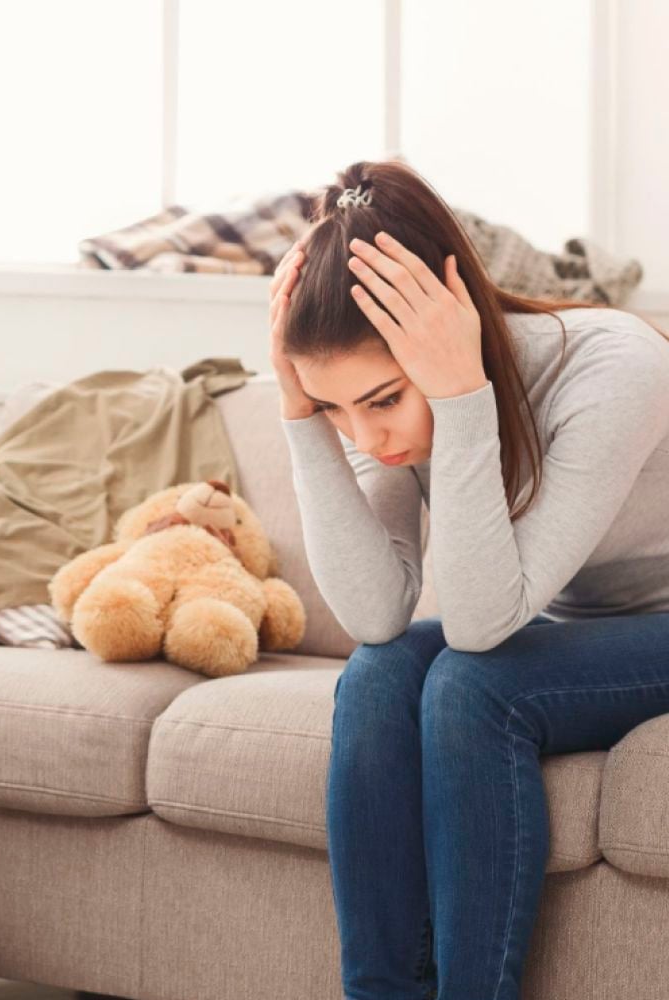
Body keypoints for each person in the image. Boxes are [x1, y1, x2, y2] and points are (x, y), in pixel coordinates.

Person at [268, 158, 669, 1000]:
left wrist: (459, 397)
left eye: (381, 399)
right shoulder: (389, 428)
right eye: (339, 408)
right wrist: (301, 417)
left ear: (454, 328)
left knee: (471, 687)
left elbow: (482, 629)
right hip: (578, 629)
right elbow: (376, 615)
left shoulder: (616, 368)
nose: (368, 437)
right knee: (378, 676)